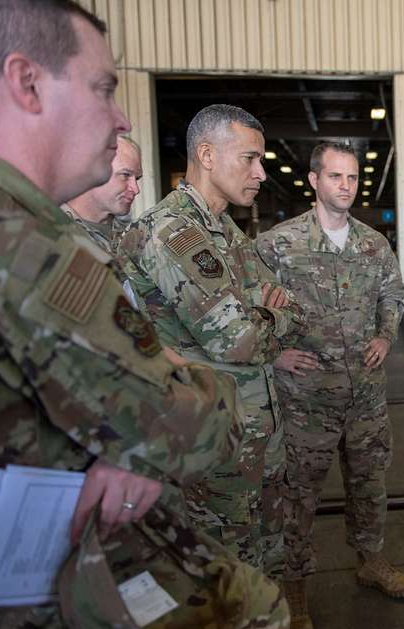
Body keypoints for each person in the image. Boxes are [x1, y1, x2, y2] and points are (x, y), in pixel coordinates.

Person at [0, 1, 245, 629]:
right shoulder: (16, 247)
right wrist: (180, 375)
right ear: (26, 83)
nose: (119, 119)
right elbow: (190, 425)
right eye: (104, 88)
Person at [121, 104, 302, 595]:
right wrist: (270, 316)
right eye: (250, 159)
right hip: (213, 446)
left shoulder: (225, 232)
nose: (261, 173)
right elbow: (237, 340)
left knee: (258, 568)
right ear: (206, 154)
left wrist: (268, 317)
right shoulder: (174, 233)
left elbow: (295, 311)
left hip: (254, 437)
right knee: (220, 580)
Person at [256, 141, 404, 629]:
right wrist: (273, 354)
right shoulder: (278, 245)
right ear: (314, 180)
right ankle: (295, 588)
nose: (346, 186)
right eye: (336, 177)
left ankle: (370, 560)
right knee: (297, 494)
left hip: (365, 395)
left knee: (369, 484)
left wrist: (387, 335)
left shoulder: (373, 244)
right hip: (306, 398)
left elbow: (393, 295)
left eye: (352, 178)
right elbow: (249, 309)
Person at [62, 134, 142, 254]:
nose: (136, 189)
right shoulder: (51, 232)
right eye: (125, 175)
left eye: (137, 178)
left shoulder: (132, 234)